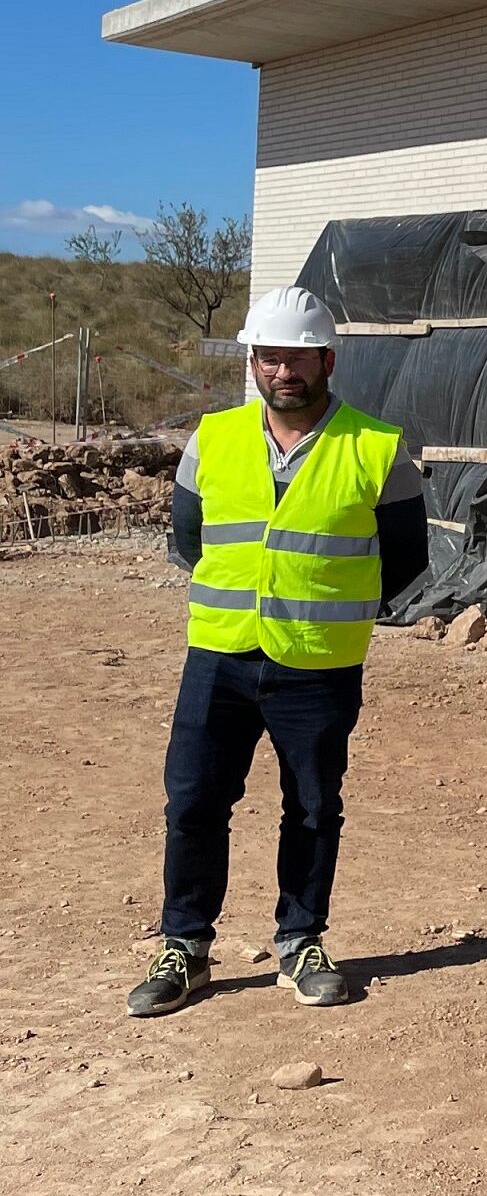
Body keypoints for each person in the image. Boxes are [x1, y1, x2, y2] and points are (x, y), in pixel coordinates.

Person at [127, 285, 429, 1018]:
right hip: (220, 659)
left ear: (327, 359)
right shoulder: (214, 439)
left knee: (314, 808)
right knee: (194, 803)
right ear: (252, 363)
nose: (282, 371)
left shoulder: (377, 449)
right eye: (268, 357)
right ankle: (185, 947)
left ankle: (301, 942)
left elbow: (406, 561)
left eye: (297, 357)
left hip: (318, 665)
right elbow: (189, 543)